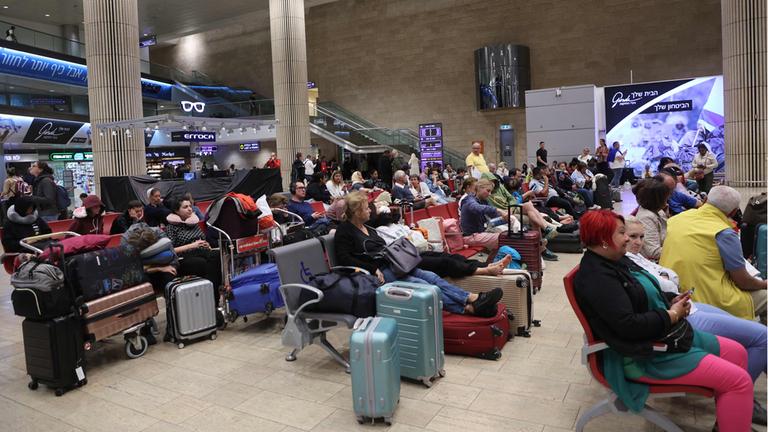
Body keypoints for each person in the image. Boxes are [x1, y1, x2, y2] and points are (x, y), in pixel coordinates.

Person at [574, 210, 753, 430]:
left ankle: (731, 419)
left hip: (661, 337)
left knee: (737, 352)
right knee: (739, 382)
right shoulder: (598, 277)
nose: (628, 239)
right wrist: (672, 314)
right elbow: (628, 325)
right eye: (622, 233)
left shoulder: (615, 261)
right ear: (603, 239)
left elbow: (641, 295)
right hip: (642, 355)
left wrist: (670, 300)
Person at [624, 215, 768, 424]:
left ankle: (738, 402)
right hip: (678, 320)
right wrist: (672, 307)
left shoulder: (676, 222)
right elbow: (661, 285)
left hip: (683, 308)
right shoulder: (719, 229)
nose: (637, 242)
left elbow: (667, 279)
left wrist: (668, 285)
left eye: (641, 237)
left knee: (750, 336)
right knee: (762, 336)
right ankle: (744, 400)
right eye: (629, 236)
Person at [333, 191, 503, 317]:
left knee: (432, 277)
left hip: (394, 265)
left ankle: (473, 298)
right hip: (379, 273)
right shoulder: (345, 231)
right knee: (426, 287)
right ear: (356, 212)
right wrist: (371, 269)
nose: (370, 210)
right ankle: (467, 308)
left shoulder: (368, 227)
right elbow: (344, 258)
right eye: (365, 208)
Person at [661, 186, 768, 322]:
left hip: (674, 295)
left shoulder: (675, 220)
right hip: (708, 301)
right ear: (734, 211)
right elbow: (743, 281)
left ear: (705, 200)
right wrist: (764, 284)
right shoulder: (724, 232)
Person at [165, 198, 222, 299]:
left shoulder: (193, 224)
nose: (190, 209)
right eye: (185, 207)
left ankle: (213, 295)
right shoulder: (170, 228)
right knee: (202, 263)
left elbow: (203, 239)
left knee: (217, 256)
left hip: (202, 251)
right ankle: (210, 297)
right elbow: (171, 250)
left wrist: (207, 244)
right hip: (184, 257)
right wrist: (192, 245)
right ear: (176, 211)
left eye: (190, 206)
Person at [459, 179, 510, 253]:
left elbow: (493, 215)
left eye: (491, 192)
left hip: (480, 232)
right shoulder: (468, 200)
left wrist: (506, 216)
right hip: (471, 236)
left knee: (509, 232)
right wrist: (498, 210)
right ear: (479, 188)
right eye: (488, 191)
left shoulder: (482, 200)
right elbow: (476, 208)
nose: (489, 194)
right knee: (505, 237)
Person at [632, 177, 671, 261]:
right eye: (665, 197)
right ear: (658, 199)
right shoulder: (646, 218)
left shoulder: (658, 211)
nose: (667, 199)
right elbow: (653, 252)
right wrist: (679, 249)